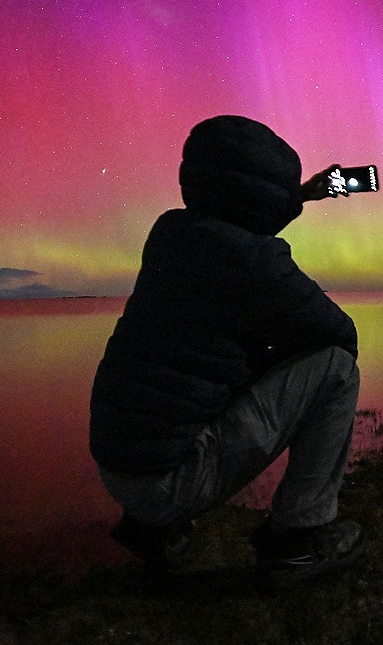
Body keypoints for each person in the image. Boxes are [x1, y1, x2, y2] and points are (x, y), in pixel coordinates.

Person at [89, 114, 363, 588]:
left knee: (205, 368)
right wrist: (283, 359)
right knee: (336, 369)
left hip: (120, 464)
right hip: (168, 481)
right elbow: (338, 332)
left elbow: (239, 212)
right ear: (263, 194)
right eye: (284, 186)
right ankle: (298, 540)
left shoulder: (171, 236)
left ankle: (154, 529)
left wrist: (306, 194)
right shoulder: (255, 263)